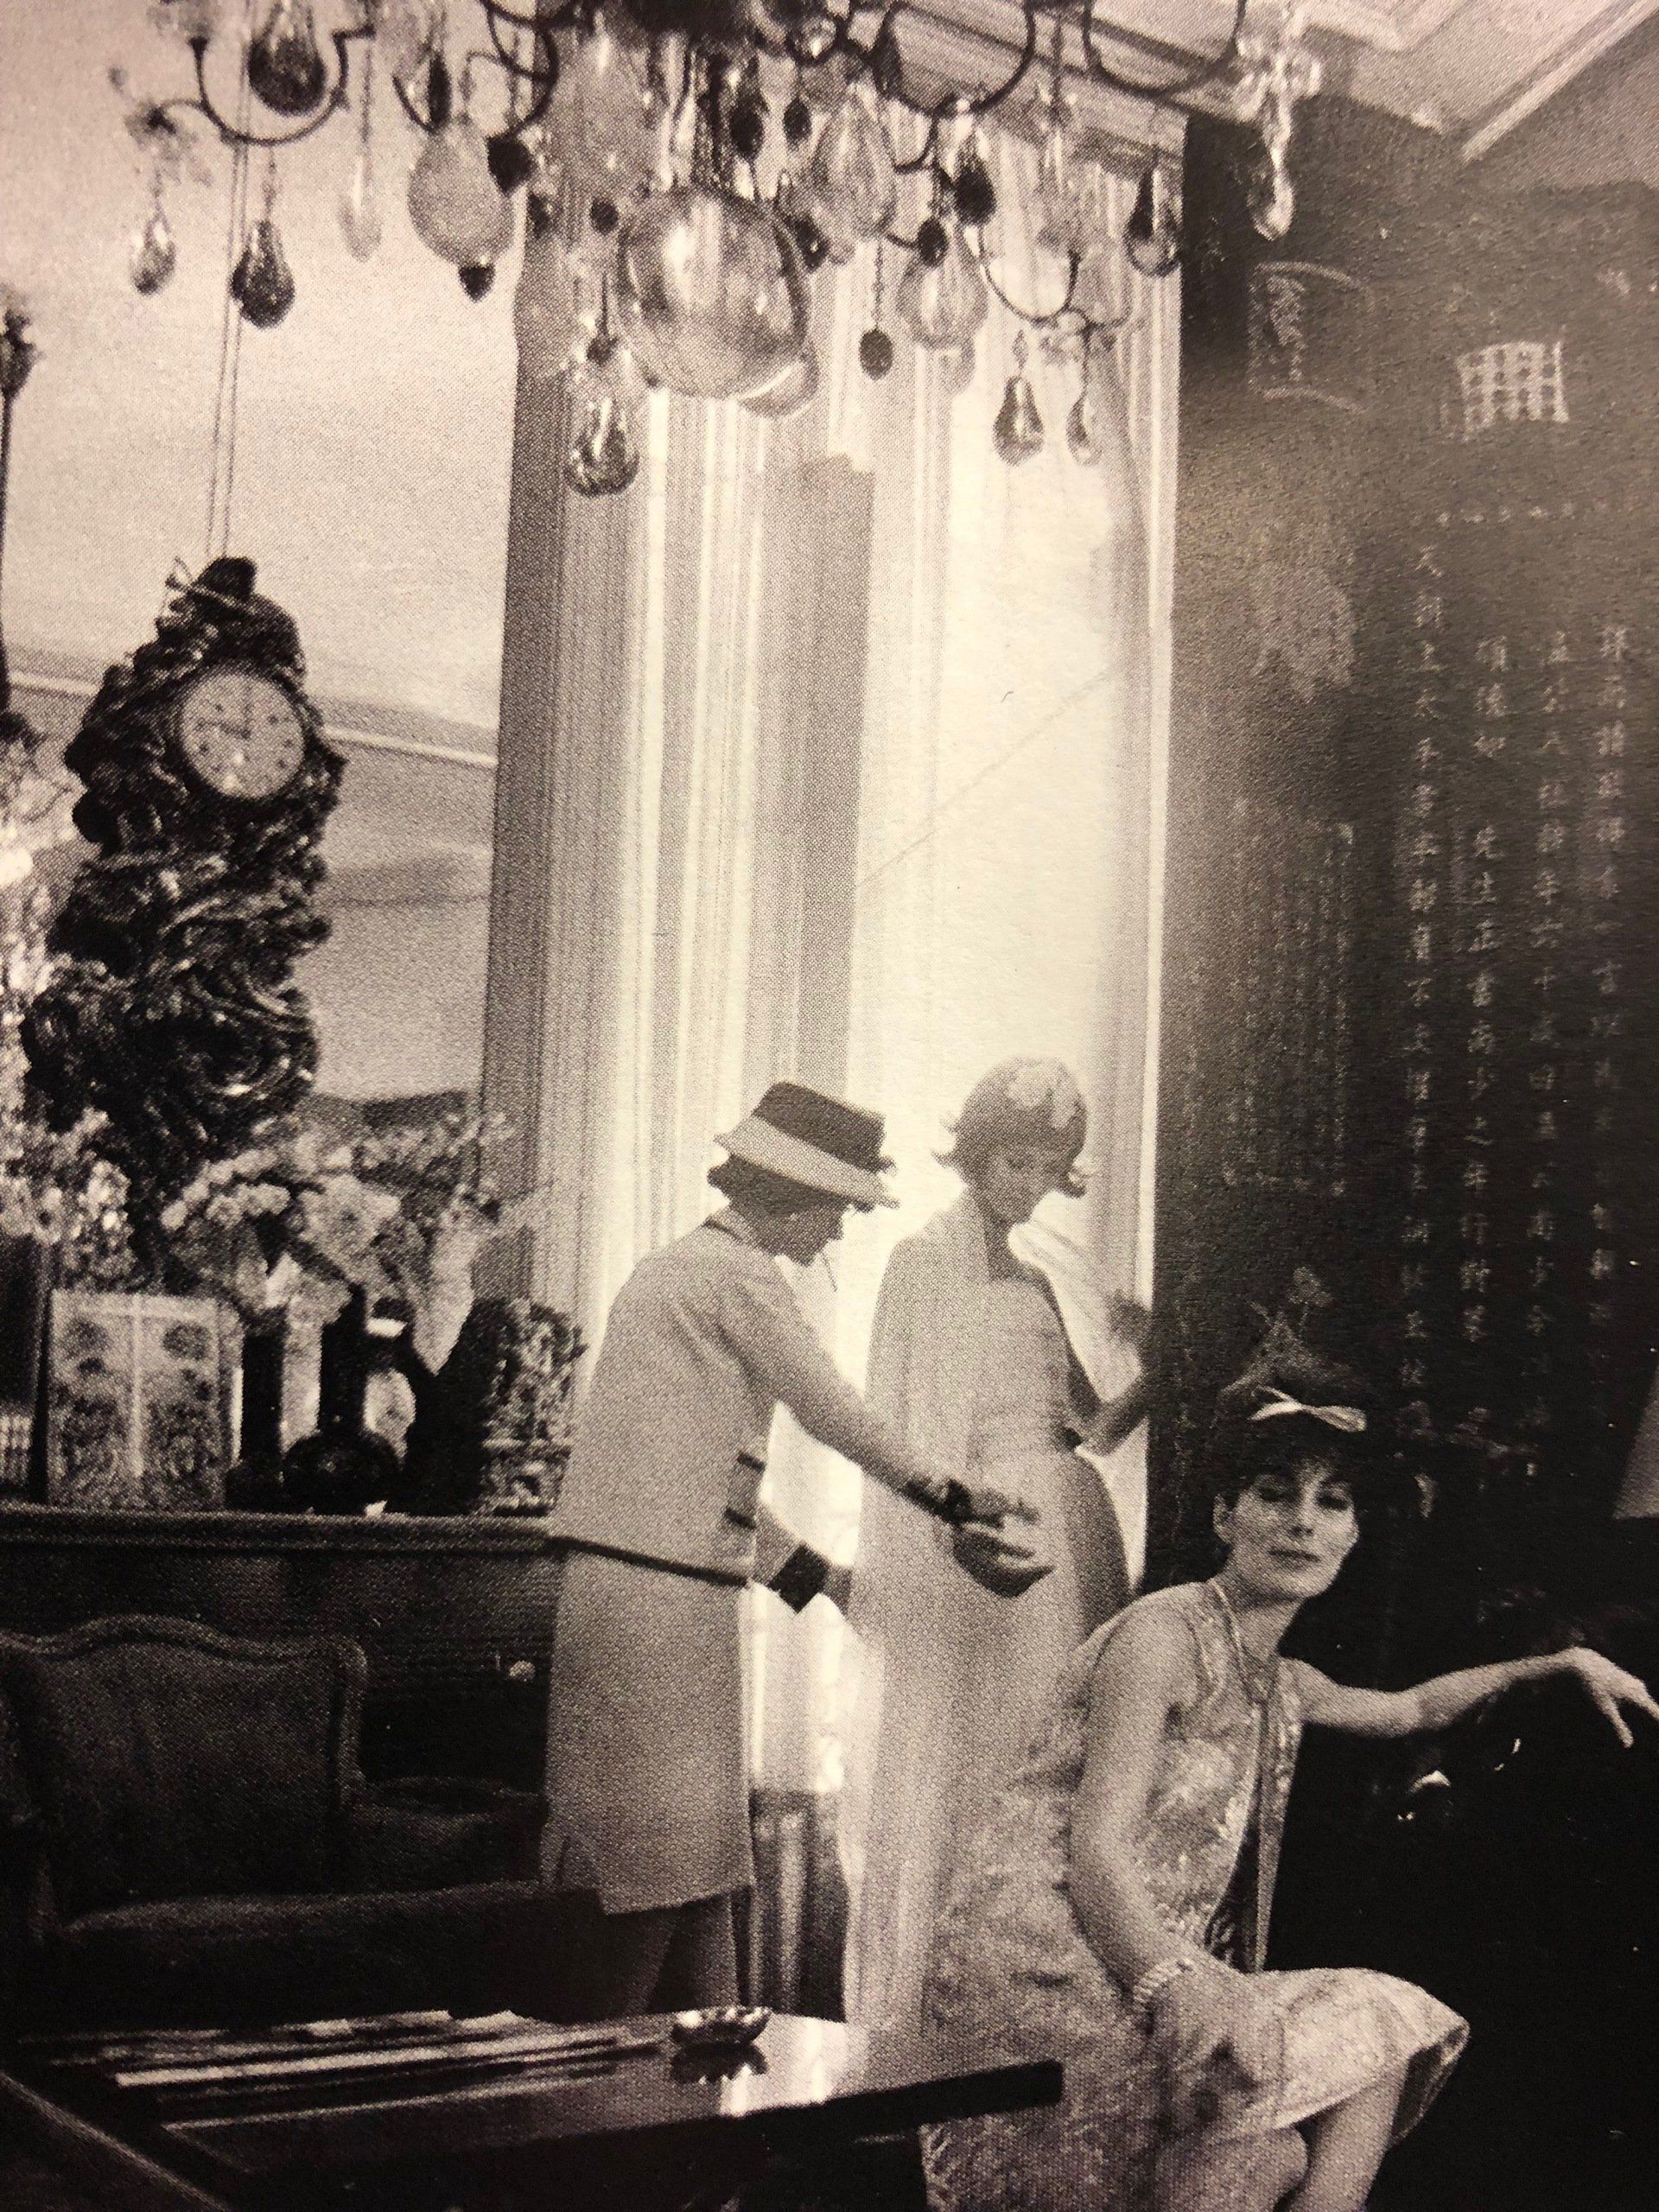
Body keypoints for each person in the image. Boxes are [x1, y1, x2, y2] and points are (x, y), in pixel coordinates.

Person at [920, 1333, 1659, 2212]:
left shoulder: (1278, 1679)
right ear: (1225, 1515)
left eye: (1331, 1500)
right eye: (1275, 1494)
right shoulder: (1164, 1636)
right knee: (1262, 2138)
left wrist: (1556, 1664)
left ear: (1352, 1532)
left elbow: (1414, 1708)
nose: (1303, 1521)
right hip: (1048, 1962)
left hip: (1138, 1963)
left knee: (1328, 2089)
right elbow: (1097, 1852)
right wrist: (1173, 1983)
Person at [540, 1081, 1047, 2018]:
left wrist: (830, 1583)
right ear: (800, 1194)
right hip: (652, 1616)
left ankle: (715, 2110)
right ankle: (603, 2114)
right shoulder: (733, 1278)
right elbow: (833, 1412)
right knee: (652, 1882)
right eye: (841, 1211)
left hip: (658, 1602)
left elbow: (694, 1483)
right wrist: (953, 1495)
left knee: (696, 1876)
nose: (839, 1235)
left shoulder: (675, 1273)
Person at [842, 1057, 1152, 2031]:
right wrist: (959, 1529)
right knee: (991, 1750)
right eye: (1011, 1160)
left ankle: (1038, 1995)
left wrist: (1158, 1357)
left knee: (1061, 1757)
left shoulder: (1036, 1274)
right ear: (974, 1155)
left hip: (1071, 1511)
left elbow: (1092, 1426)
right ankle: (956, 2006)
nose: (1025, 1182)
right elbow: (913, 1432)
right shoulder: (925, 1261)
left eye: (1046, 1165)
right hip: (987, 1523)